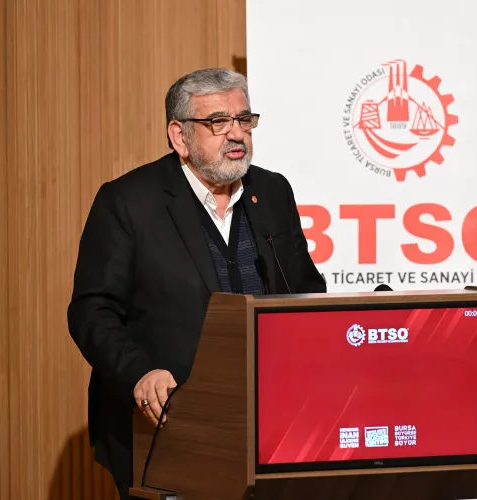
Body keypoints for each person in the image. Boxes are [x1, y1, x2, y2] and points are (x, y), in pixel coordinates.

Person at [67, 68, 326, 498]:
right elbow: (92, 310)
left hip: (268, 421)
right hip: (166, 425)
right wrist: (140, 372)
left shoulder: (272, 191)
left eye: (244, 119)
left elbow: (305, 290)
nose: (237, 134)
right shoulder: (129, 201)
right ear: (180, 136)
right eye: (218, 122)